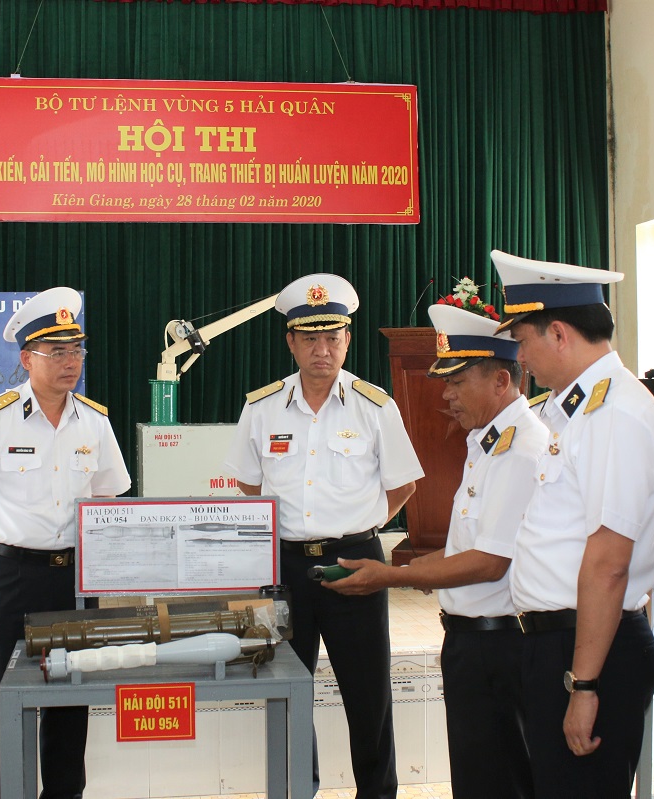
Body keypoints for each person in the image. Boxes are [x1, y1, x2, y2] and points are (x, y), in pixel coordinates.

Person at [325, 301, 547, 799]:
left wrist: (392, 576)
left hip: (500, 648)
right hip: (474, 643)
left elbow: (489, 562)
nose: (446, 395)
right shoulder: (488, 443)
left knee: (501, 783)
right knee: (477, 780)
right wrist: (421, 567)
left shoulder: (520, 451)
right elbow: (471, 545)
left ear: (501, 381)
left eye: (457, 382)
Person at [224, 273, 424, 799]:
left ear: (347, 340)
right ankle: (298, 789)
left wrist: (364, 526)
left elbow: (404, 484)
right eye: (310, 338)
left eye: (333, 337)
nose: (323, 350)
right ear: (290, 342)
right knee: (288, 687)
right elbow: (248, 483)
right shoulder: (262, 408)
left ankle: (376, 793)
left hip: (355, 562)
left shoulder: (374, 406)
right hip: (285, 566)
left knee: (369, 692)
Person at [493, 250, 654, 798]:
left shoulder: (613, 412)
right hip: (565, 645)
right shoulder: (576, 410)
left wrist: (585, 684)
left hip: (592, 649)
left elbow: (609, 563)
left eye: (523, 342)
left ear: (559, 334)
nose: (521, 358)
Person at [0, 286, 131, 799]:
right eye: (57, 352)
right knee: (8, 707)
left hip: (74, 583)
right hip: (9, 581)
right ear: (27, 358)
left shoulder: (95, 422)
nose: (71, 362)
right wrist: (9, 543)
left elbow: (107, 500)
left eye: (77, 351)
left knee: (71, 710)